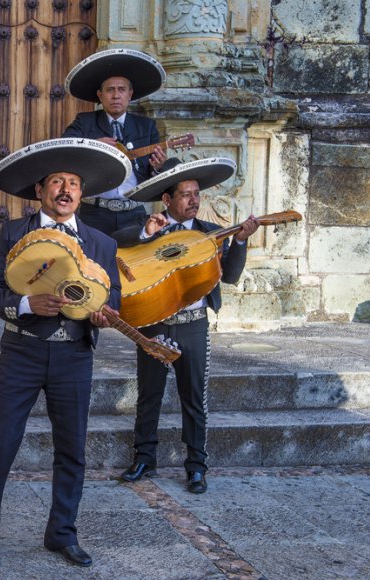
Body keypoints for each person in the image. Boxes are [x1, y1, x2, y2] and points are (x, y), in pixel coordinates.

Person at [0, 138, 130, 567]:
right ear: (39, 190)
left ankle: (62, 533)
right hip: (22, 351)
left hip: (74, 356)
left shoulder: (101, 244)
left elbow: (114, 301)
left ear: (81, 193)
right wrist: (25, 304)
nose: (65, 189)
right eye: (57, 181)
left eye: (73, 183)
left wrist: (103, 316)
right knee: (1, 444)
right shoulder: (14, 232)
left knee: (73, 447)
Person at [111, 157, 259, 494]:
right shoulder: (149, 226)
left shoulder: (210, 234)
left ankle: (196, 467)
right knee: (149, 395)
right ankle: (145, 458)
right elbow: (115, 241)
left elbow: (232, 277)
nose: (193, 200)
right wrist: (146, 234)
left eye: (197, 194)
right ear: (167, 199)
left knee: (193, 398)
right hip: (154, 321)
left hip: (193, 324)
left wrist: (240, 241)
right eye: (185, 194)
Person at [62, 48, 167, 235]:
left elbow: (153, 176)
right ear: (100, 96)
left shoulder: (147, 126)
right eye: (110, 90)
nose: (116, 95)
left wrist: (158, 167)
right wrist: (94, 145)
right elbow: (65, 148)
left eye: (121, 90)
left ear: (130, 94)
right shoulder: (84, 122)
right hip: (94, 213)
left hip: (134, 213)